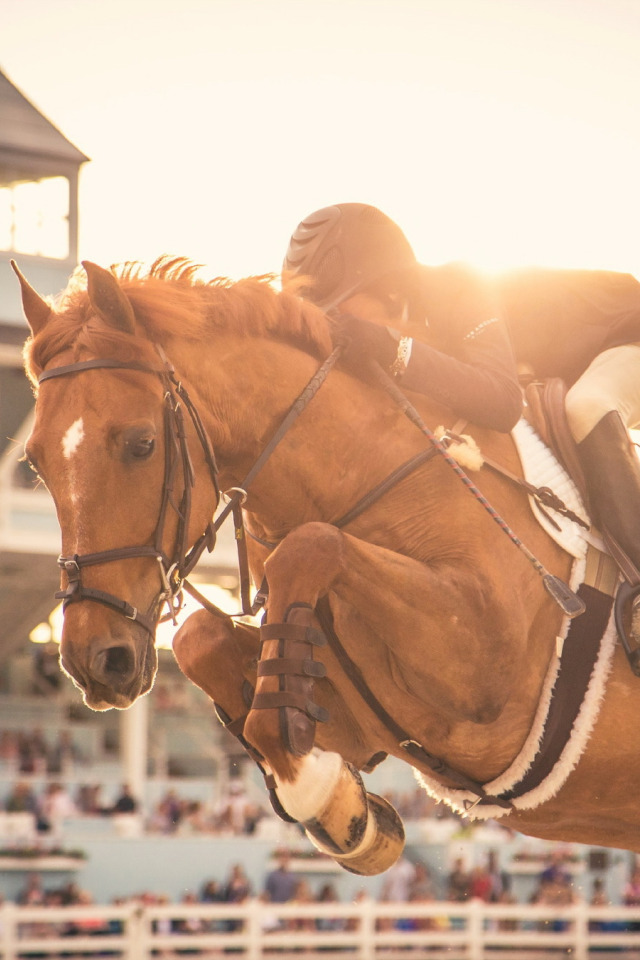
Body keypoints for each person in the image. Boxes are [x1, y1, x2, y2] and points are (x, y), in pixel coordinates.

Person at [283, 202, 640, 634]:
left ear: (390, 291)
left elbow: (501, 402)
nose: (333, 324)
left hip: (630, 332)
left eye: (339, 309)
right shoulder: (409, 316)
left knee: (588, 406)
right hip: (568, 363)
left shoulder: (459, 285)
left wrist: (386, 346)